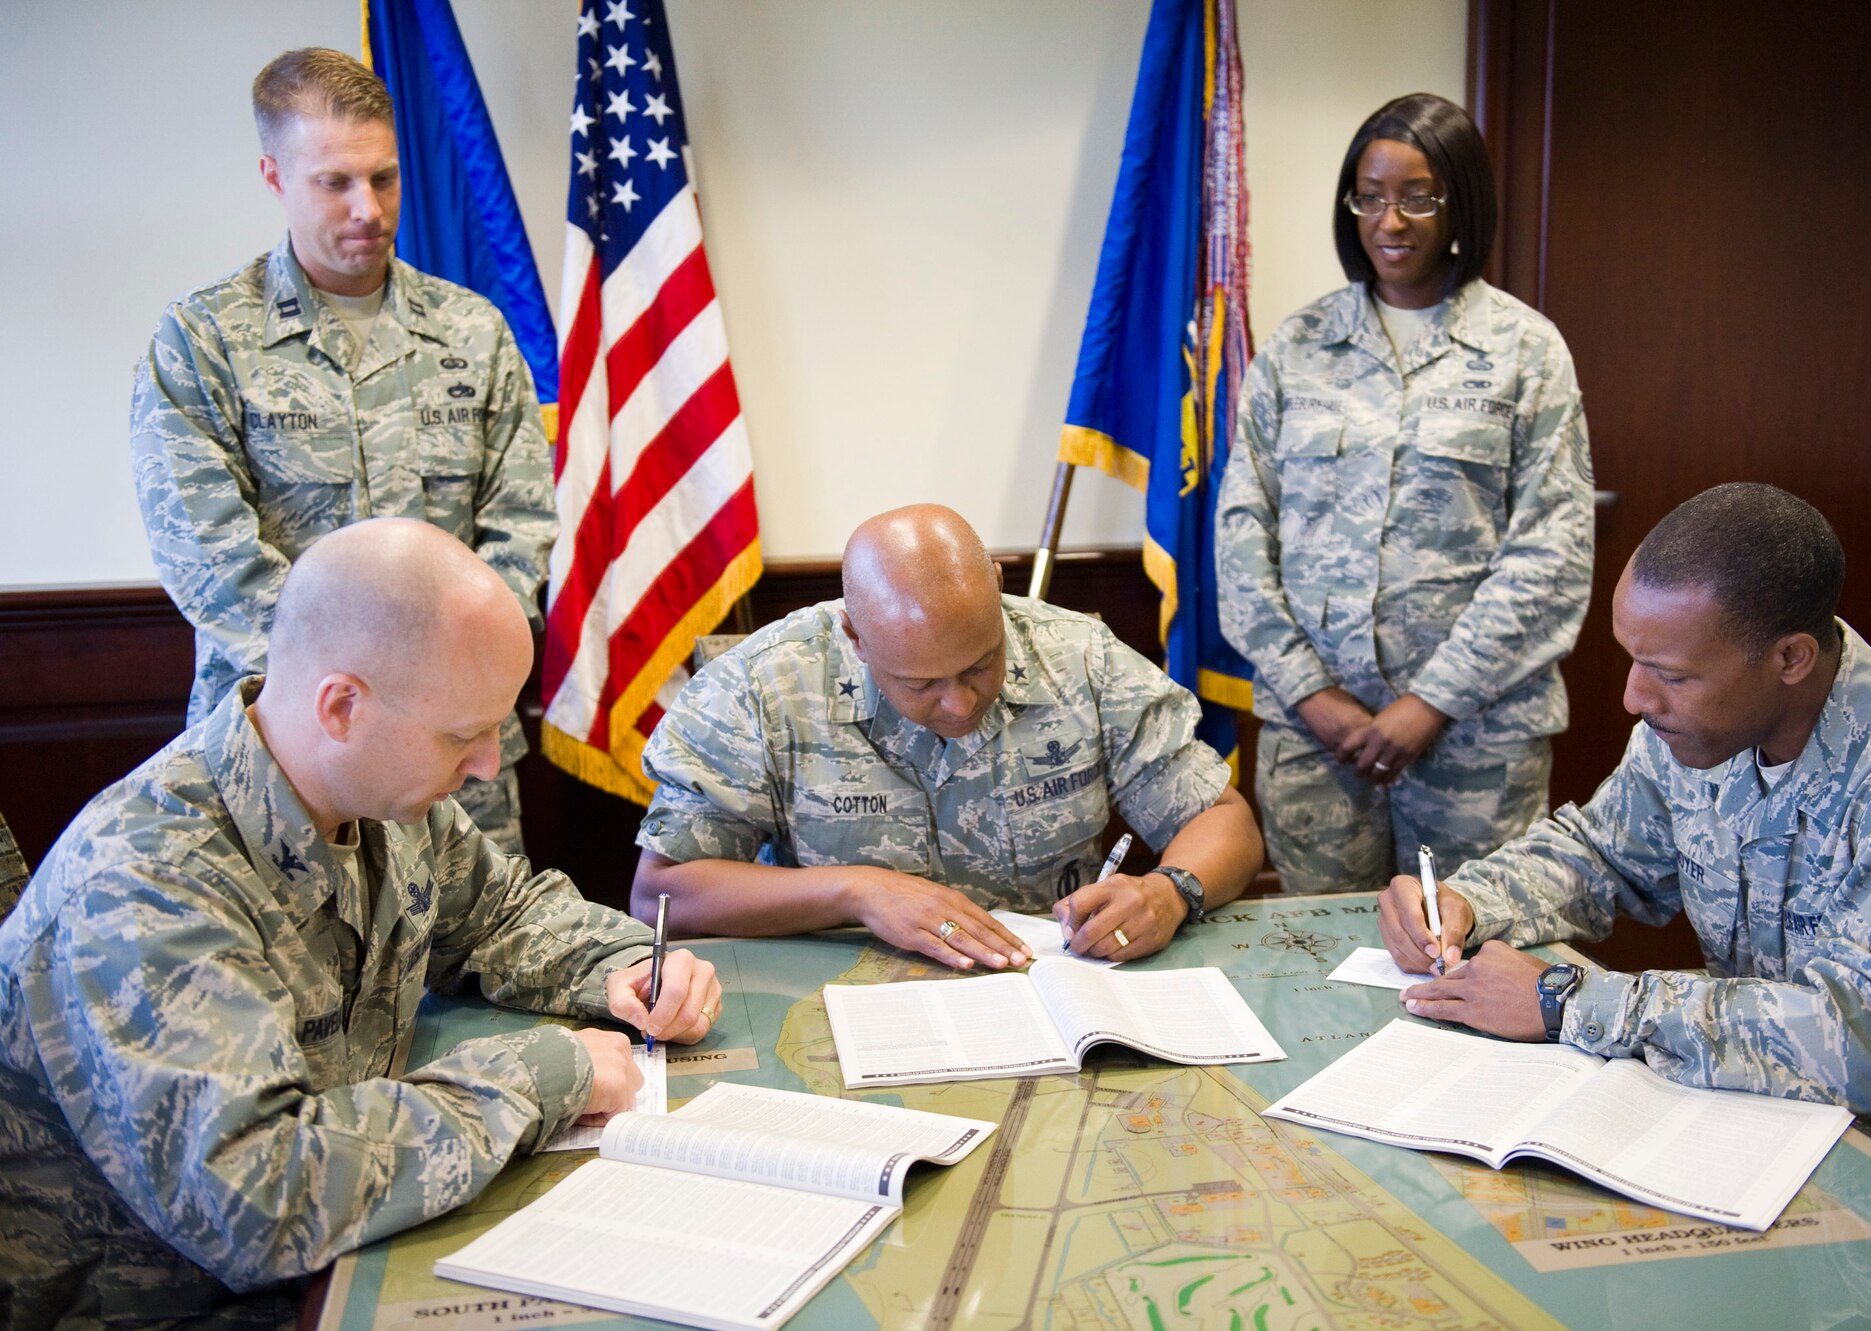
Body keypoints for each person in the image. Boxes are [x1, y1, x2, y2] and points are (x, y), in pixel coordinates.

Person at [0, 520, 722, 1323]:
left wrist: (624, 967)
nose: (489, 763)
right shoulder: (145, 886)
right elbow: (263, 1198)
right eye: (463, 734)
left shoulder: (382, 797)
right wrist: (545, 1074)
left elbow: (501, 912)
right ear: (342, 706)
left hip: (344, 1258)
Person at [1380, 484, 1871, 1199]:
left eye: (1671, 674)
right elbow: (1598, 853)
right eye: (1634, 660)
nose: (1634, 699)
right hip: (1752, 1108)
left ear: (1791, 658)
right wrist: (1462, 901)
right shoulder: (1701, 729)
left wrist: (1567, 1000)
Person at [129, 47, 555, 855]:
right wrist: (367, 708)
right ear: (274, 174)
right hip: (282, 756)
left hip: (457, 761)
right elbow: (209, 558)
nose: (368, 206)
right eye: (335, 182)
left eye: (385, 177)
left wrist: (443, 699)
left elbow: (521, 528)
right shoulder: (204, 341)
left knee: (477, 967)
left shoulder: (474, 333)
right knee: (282, 975)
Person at [1216, 92, 1594, 895]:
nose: (1392, 220)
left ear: (1461, 201)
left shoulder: (1527, 350)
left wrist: (1431, 703)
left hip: (1476, 740)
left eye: (1419, 197)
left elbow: (1552, 551)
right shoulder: (1299, 346)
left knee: (1472, 957)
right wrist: (1312, 693)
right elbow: (1243, 529)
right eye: (1372, 196)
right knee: (1315, 968)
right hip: (1318, 739)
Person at [629, 504, 1265, 968]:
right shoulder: (760, 688)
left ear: (995, 582)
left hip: (1053, 983)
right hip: (842, 993)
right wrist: (859, 890)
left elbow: (1224, 819)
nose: (960, 703)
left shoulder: (1081, 659)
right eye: (920, 683)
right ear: (855, 637)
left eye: (980, 664)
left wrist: (1169, 890)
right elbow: (663, 892)